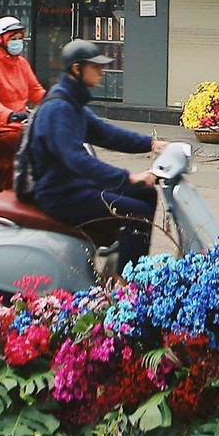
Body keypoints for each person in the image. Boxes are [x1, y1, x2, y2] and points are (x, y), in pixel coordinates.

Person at [29, 40, 168, 272]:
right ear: (77, 69)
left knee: (146, 193)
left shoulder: (72, 102)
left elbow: (107, 134)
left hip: (73, 186)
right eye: (96, 67)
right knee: (137, 210)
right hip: (60, 193)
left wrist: (151, 144)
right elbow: (77, 161)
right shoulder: (59, 109)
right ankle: (126, 281)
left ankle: (123, 257)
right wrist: (128, 177)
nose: (102, 73)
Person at [0, 16, 46, 190]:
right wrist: (10, 115)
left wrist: (57, 103)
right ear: (0, 41)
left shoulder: (21, 63)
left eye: (20, 38)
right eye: (12, 39)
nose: (17, 43)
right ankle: (4, 200)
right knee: (13, 163)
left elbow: (35, 90)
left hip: (21, 125)